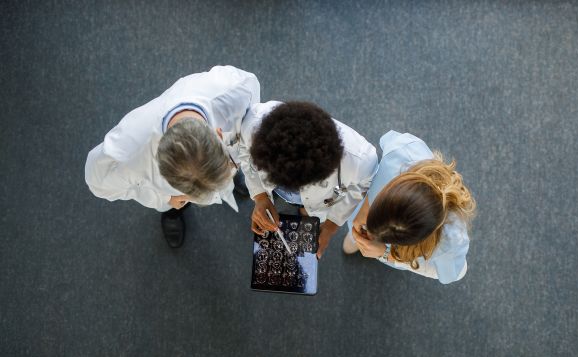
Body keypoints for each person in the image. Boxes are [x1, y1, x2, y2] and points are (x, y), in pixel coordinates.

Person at [85, 65, 260, 248]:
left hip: (233, 147)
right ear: (162, 170)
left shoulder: (235, 88)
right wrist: (164, 199)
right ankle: (173, 212)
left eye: (226, 163)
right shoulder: (125, 155)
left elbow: (252, 117)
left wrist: (241, 161)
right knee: (174, 205)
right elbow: (99, 185)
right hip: (172, 196)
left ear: (219, 134)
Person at [237, 101, 378, 258]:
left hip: (322, 198)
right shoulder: (253, 125)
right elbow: (245, 153)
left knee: (310, 207)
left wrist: (332, 225)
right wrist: (260, 195)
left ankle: (306, 210)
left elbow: (359, 189)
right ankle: (304, 209)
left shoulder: (362, 162)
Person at [343, 131, 476, 284]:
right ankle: (358, 238)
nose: (371, 234)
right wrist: (366, 207)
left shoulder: (450, 242)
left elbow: (456, 273)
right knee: (356, 227)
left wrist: (386, 254)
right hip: (368, 216)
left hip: (397, 254)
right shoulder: (403, 152)